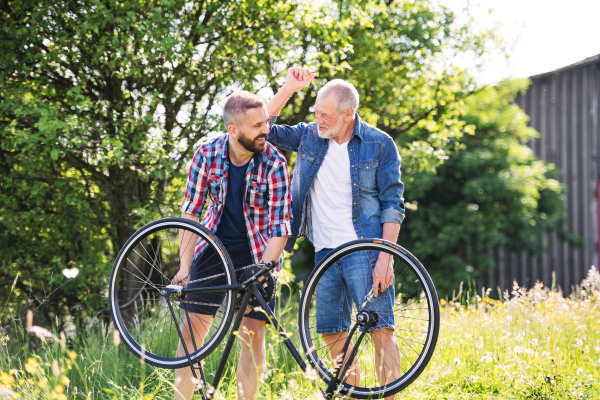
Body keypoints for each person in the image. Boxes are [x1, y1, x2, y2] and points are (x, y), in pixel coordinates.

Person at [266, 68, 405, 399]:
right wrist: (289, 88)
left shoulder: (379, 143)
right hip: (324, 252)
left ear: (349, 114)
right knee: (332, 332)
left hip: (365, 250)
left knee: (380, 331)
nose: (318, 120)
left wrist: (386, 258)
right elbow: (260, 128)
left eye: (324, 115)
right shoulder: (309, 135)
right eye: (315, 112)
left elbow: (392, 203)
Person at [172, 91, 292, 400]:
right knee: (190, 330)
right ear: (233, 130)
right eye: (256, 126)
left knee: (252, 337)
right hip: (214, 249)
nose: (265, 130)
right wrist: (185, 267)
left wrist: (264, 269)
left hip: (259, 253)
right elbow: (191, 213)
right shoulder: (206, 155)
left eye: (265, 122)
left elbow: (281, 227)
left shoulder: (275, 162)